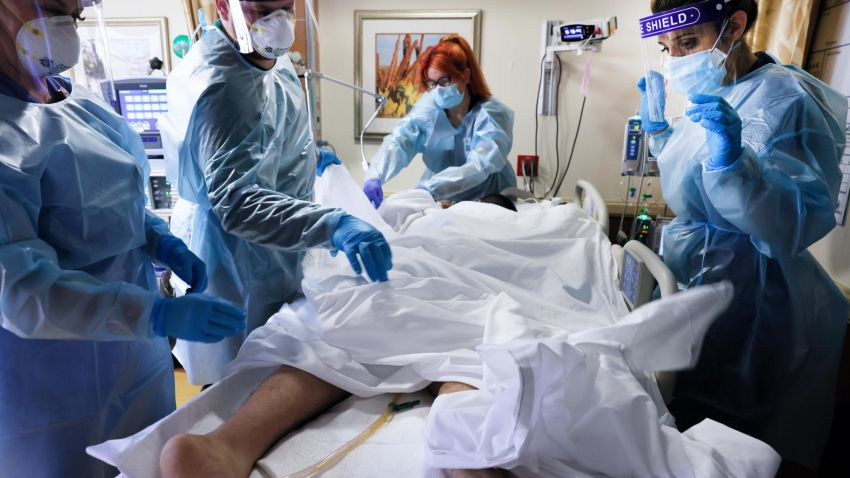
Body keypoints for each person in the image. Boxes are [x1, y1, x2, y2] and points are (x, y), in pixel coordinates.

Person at [0, 0, 247, 475]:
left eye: (73, 17)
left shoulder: (77, 100)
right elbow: (22, 292)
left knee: (147, 458)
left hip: (136, 361)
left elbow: (116, 201)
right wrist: (155, 312)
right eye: (52, 10)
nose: (66, 27)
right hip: (50, 392)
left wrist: (159, 239)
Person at [637, 0, 848, 469]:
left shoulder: (784, 100)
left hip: (753, 296)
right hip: (699, 275)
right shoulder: (718, 94)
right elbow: (693, 185)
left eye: (688, 42)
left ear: (735, 25)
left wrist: (735, 167)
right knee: (685, 417)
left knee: (730, 434)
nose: (677, 60)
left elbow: (792, 220)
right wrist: (659, 135)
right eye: (667, 47)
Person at [164, 0, 393, 386]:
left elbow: (265, 130)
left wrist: (304, 154)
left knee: (279, 361)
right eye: (262, 9)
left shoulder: (265, 56)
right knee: (241, 383)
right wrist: (333, 224)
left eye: (285, 7)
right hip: (235, 260)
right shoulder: (222, 86)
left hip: (273, 249)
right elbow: (237, 203)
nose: (278, 22)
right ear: (224, 6)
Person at [362, 34, 516, 209]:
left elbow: (481, 165)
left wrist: (431, 188)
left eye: (444, 81)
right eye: (431, 83)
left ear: (465, 76)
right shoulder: (428, 110)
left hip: (488, 198)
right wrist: (374, 175)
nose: (437, 90)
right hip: (439, 199)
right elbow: (399, 142)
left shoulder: (492, 115)